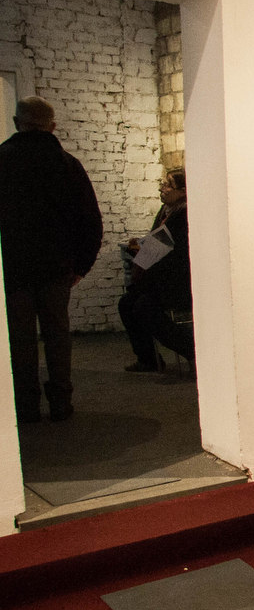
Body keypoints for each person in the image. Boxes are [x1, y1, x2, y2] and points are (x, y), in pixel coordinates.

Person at [0, 96, 102, 423]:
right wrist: (81, 266)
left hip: (13, 268)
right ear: (52, 126)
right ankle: (60, 401)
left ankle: (26, 405)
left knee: (20, 340)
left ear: (17, 123)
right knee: (58, 335)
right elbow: (90, 220)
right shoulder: (67, 165)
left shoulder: (2, 160)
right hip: (57, 268)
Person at [119, 167, 194, 373]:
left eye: (169, 184)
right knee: (126, 304)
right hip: (158, 280)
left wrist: (145, 251)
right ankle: (148, 359)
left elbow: (171, 250)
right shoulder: (165, 212)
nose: (163, 188)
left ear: (184, 191)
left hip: (177, 283)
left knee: (144, 308)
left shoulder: (184, 215)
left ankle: (193, 351)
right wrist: (141, 249)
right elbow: (156, 243)